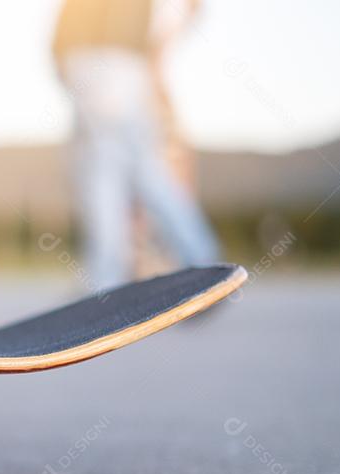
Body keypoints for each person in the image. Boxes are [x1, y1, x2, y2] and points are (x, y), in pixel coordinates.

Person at [52, 0, 219, 291]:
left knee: (104, 175)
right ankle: (202, 260)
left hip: (100, 62)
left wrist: (157, 47)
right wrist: (155, 48)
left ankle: (106, 282)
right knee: (145, 170)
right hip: (118, 64)